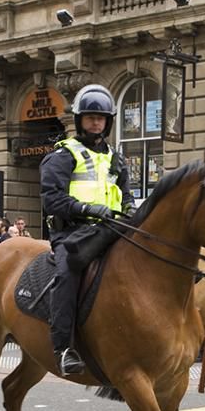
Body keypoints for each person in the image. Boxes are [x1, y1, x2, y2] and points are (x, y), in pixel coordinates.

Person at [40, 83, 131, 375]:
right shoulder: (64, 154)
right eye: (90, 117)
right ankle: (64, 348)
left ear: (108, 121)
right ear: (80, 120)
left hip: (111, 229)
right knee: (68, 273)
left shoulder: (116, 158)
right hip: (72, 233)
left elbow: (125, 195)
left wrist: (132, 213)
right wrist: (86, 209)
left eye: (101, 118)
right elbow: (52, 199)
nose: (96, 122)